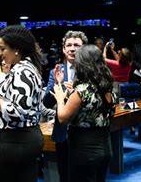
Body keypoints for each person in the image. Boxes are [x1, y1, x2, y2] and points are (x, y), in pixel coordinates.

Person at [0, 25, 43, 182]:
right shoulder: (23, 68)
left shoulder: (22, 72)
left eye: (3, 49)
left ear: (16, 49)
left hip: (18, 142)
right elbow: (10, 101)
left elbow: (17, 111)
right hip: (20, 141)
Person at [54, 44, 115, 182]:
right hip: (105, 146)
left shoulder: (82, 90)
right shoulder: (108, 88)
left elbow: (62, 118)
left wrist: (59, 99)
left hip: (84, 151)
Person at [43, 30, 88, 182]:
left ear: (84, 48)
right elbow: (46, 102)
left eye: (77, 45)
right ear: (63, 49)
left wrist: (77, 92)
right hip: (64, 132)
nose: (72, 48)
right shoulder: (55, 71)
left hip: (85, 131)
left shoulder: (91, 71)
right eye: (68, 45)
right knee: (65, 174)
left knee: (84, 175)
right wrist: (57, 85)